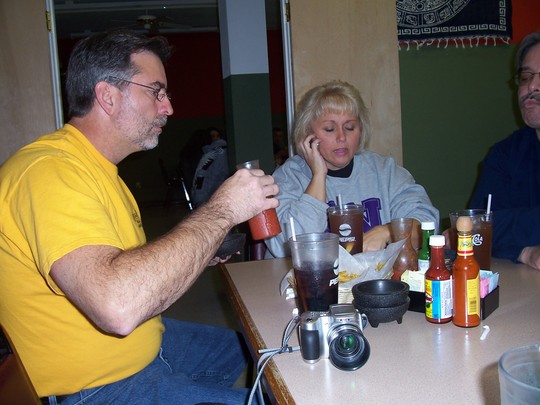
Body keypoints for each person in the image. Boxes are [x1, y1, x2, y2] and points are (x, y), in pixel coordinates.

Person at [0, 30, 278, 404]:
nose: (169, 108)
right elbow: (118, 306)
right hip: (96, 389)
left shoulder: (99, 171)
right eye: (155, 92)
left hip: (142, 347)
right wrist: (223, 210)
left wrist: (200, 247)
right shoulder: (47, 173)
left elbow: (124, 265)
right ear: (107, 96)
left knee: (263, 350)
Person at [264, 80, 439, 258]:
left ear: (361, 130)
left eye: (350, 127)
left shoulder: (385, 171)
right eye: (329, 129)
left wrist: (388, 231)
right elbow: (285, 247)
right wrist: (318, 176)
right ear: (307, 134)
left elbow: (426, 225)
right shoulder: (288, 177)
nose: (342, 137)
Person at [469, 31, 540, 270]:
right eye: (525, 77)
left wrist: (510, 225)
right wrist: (525, 252)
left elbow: (494, 227)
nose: (531, 86)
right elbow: (475, 228)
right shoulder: (504, 155)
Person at [191, 127, 229, 207]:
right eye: (212, 136)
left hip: (209, 196)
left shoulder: (217, 153)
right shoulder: (209, 154)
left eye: (218, 136)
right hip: (209, 196)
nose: (216, 138)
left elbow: (215, 176)